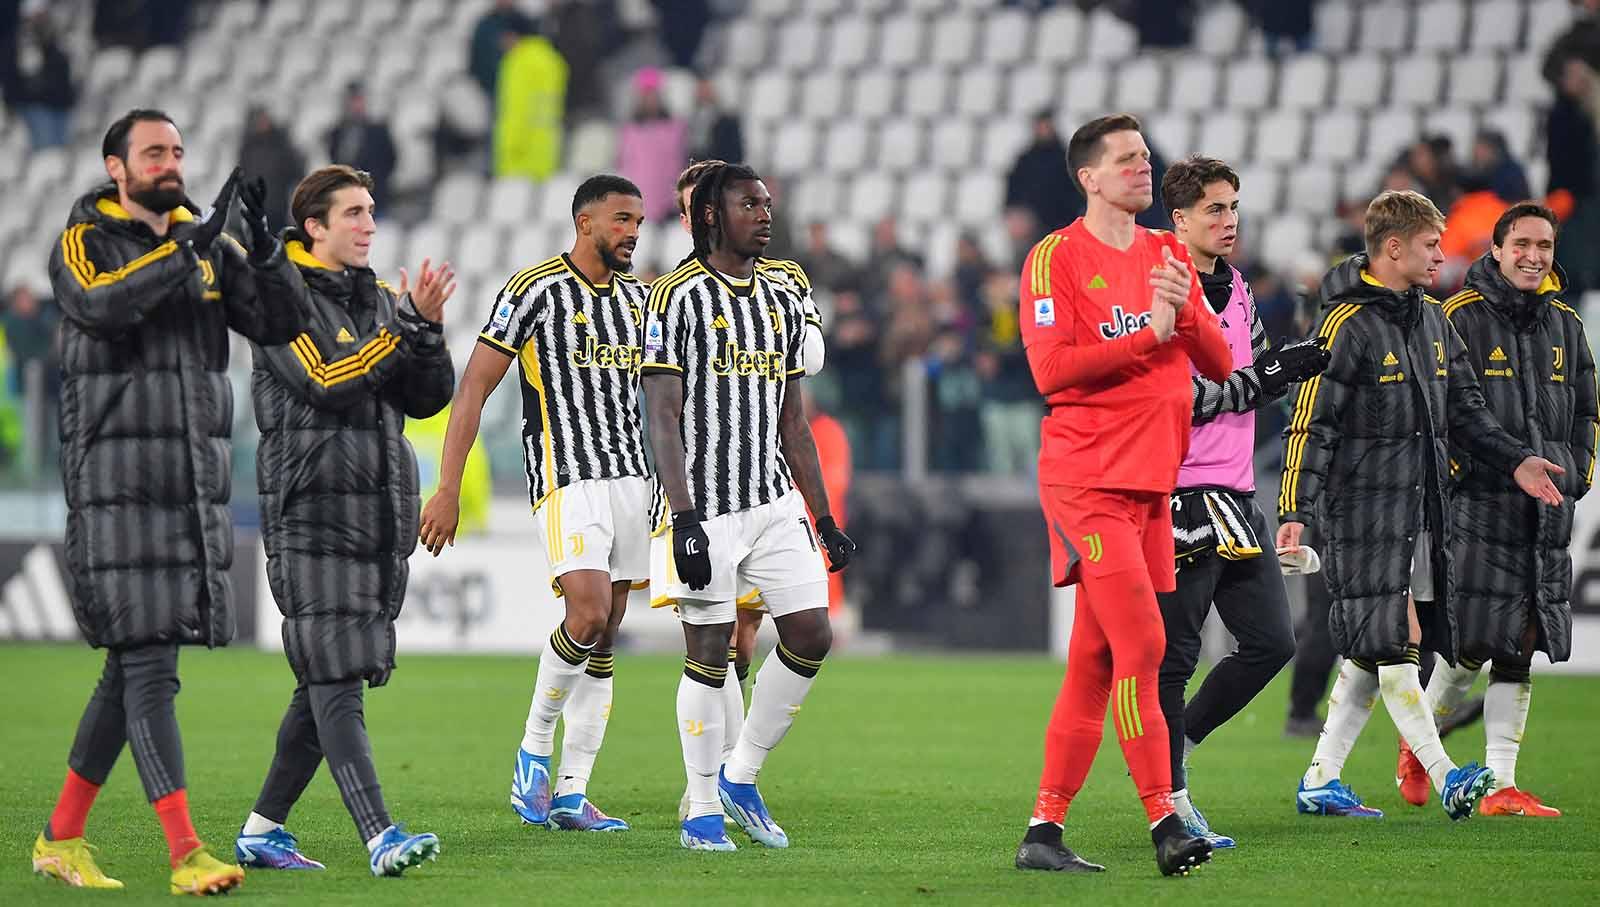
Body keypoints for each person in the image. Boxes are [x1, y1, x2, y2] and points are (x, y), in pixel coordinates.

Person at [31, 109, 302, 894]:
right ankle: (186, 852)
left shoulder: (208, 243)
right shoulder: (84, 240)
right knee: (151, 666)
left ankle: (60, 839)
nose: (171, 162)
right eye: (154, 151)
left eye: (179, 150)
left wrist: (264, 250)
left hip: (188, 487)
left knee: (131, 670)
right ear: (116, 167)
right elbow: (102, 306)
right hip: (114, 488)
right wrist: (188, 247)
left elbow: (279, 324)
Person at [1279, 189, 1566, 821]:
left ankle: (1321, 777)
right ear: (1393, 248)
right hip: (1361, 514)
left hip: (1421, 511)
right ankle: (1445, 777)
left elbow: (1465, 411)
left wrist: (1515, 458)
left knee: (1372, 649)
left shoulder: (1432, 321)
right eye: (1432, 245)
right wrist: (1294, 511)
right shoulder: (1345, 326)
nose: (1443, 256)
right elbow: (1310, 424)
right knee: (1396, 640)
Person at [1013, 113, 1230, 878]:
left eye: (1146, 156)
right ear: (1090, 177)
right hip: (1087, 482)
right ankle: (1165, 817)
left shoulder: (1167, 251)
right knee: (1146, 643)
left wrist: (1186, 313)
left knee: (1098, 661)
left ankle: (1044, 829)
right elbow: (1052, 370)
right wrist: (1153, 331)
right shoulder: (1054, 259)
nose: (1145, 168)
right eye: (1128, 160)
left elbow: (1219, 356)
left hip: (1150, 487)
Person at [233, 165, 456, 876]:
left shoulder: (382, 301)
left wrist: (425, 330)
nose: (368, 223)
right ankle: (380, 832)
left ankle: (263, 828)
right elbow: (327, 380)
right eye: (353, 213)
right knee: (335, 676)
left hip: (374, 516)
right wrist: (404, 327)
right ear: (315, 228)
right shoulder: (277, 300)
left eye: (370, 210)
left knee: (329, 678)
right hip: (309, 513)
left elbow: (428, 398)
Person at [418, 175, 650, 833]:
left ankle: (574, 791)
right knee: (588, 609)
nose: (633, 231)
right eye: (621, 219)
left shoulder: (639, 300)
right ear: (585, 223)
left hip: (633, 481)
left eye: (638, 220)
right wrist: (447, 487)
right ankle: (534, 747)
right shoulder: (533, 290)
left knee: (607, 633)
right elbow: (473, 390)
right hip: (566, 474)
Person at [643, 162, 855, 852]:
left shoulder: (782, 297)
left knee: (812, 633)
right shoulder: (675, 296)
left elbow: (795, 421)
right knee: (708, 650)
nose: (765, 214)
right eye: (749, 203)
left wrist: (823, 518)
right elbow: (663, 415)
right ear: (711, 215)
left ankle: (741, 773)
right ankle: (701, 807)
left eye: (767, 203)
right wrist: (681, 516)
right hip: (702, 503)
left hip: (770, 497)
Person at [1153, 156, 1330, 849]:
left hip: (1233, 491)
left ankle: (1180, 749)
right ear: (1179, 220)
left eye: (1233, 207)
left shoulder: (1241, 289)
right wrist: (1270, 376)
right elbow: (1179, 396)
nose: (1229, 221)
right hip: (1178, 491)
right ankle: (1169, 800)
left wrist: (1280, 369)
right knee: (1176, 655)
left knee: (1270, 641)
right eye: (1214, 210)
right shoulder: (1163, 288)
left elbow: (1253, 374)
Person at [1414, 203, 1595, 818]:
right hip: (1480, 506)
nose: (1533, 256)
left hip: (1545, 512)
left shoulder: (1567, 325)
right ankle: (1421, 743)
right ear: (1495, 249)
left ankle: (1499, 785)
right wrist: (1467, 477)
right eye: (1521, 243)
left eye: (1543, 245)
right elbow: (1442, 413)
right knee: (1471, 644)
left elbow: (1586, 411)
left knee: (1521, 642)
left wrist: (1574, 476)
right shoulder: (1457, 317)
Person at [327, 83, 397, 213]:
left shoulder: (378, 132)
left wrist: (376, 181)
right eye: (352, 101)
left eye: (359, 100)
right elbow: (334, 160)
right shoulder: (337, 133)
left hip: (375, 195)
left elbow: (390, 159)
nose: (356, 105)